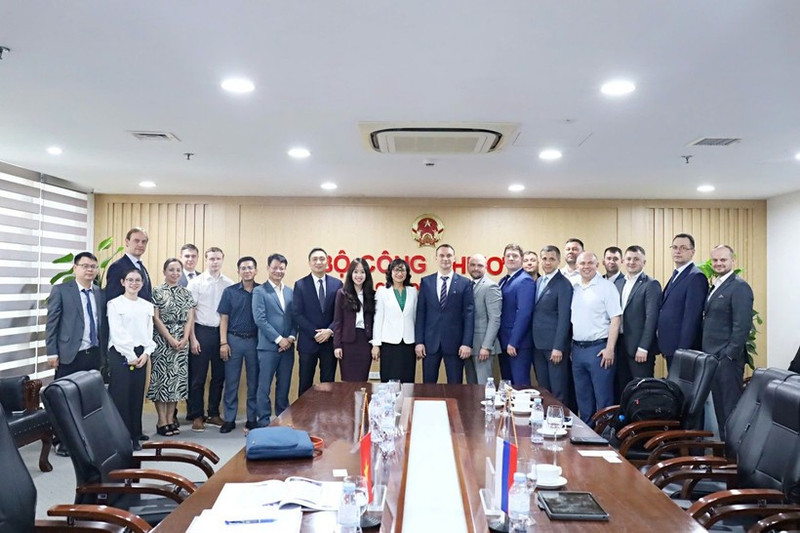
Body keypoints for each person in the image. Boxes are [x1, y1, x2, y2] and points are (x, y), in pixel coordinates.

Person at [45, 251, 106, 456]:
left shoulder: (99, 292)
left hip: (92, 353)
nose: (89, 270)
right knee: (63, 399)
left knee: (85, 398)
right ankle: (60, 440)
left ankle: (82, 438)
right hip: (69, 353)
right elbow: (52, 323)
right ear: (75, 268)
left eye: (93, 266)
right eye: (85, 266)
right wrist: (51, 352)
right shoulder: (62, 290)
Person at [702, 245, 754, 438]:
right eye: (715, 260)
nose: (718, 263)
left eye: (723, 260)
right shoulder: (716, 284)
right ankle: (725, 454)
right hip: (713, 358)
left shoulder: (739, 287)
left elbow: (742, 326)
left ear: (733, 261)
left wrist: (729, 355)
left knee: (730, 410)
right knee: (720, 410)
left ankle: (735, 459)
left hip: (727, 360)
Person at [106, 268, 156, 450]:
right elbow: (118, 333)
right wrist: (131, 356)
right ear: (123, 282)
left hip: (141, 354)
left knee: (136, 395)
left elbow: (149, 332)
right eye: (130, 280)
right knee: (121, 396)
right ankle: (122, 437)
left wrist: (146, 353)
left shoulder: (146, 305)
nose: (134, 283)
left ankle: (135, 434)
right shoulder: (115, 304)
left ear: (142, 283)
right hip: (121, 353)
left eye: (137, 280)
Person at [570, 251, 622, 423]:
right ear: (577, 266)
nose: (586, 267)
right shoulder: (575, 287)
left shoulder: (606, 287)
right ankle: (587, 437)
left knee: (603, 398)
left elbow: (616, 318)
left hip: (599, 350)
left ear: (597, 265)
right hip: (577, 349)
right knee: (583, 399)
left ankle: (605, 439)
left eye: (590, 263)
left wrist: (610, 348)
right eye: (582, 264)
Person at [187, 247, 233, 432]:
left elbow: (229, 313)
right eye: (211, 258)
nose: (215, 262)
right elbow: (190, 313)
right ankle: (197, 415)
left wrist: (225, 340)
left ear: (222, 260)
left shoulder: (229, 283)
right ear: (205, 260)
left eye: (218, 258)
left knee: (219, 376)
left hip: (221, 333)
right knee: (198, 377)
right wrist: (193, 339)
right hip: (201, 332)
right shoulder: (195, 283)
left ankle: (213, 413)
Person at [416, 244, 475, 384]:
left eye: (449, 255)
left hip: (455, 344)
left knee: (455, 386)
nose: (445, 258)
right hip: (430, 344)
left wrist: (467, 343)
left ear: (454, 258)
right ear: (436, 258)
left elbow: (469, 315)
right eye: (441, 255)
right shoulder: (426, 282)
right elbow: (421, 314)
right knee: (428, 386)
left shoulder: (465, 283)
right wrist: (419, 342)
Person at [150, 258, 195, 437]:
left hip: (182, 342)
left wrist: (184, 338)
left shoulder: (186, 292)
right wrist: (169, 338)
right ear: (164, 271)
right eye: (171, 270)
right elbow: (156, 318)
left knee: (176, 382)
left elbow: (190, 317)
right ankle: (162, 421)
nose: (175, 273)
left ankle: (171, 419)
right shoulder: (157, 291)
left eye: (178, 270)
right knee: (162, 382)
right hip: (162, 341)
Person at [252, 253, 297, 425]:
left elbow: (295, 318)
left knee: (284, 386)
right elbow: (260, 319)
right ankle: (263, 420)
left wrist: (291, 338)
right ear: (268, 268)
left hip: (288, 347)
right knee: (264, 387)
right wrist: (279, 339)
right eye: (275, 267)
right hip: (268, 347)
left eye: (281, 268)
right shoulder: (259, 291)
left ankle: (282, 419)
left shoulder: (290, 292)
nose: (278, 271)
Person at [217, 256, 260, 433]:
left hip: (255, 341)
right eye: (243, 268)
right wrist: (223, 342)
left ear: (256, 270)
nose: (247, 271)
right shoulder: (230, 292)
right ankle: (229, 419)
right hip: (233, 340)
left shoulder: (262, 291)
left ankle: (252, 418)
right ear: (238, 271)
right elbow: (223, 318)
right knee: (232, 381)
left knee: (254, 381)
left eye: (250, 268)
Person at [292, 248, 343, 395]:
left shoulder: (337, 284)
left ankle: (326, 416)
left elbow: (340, 313)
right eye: (315, 259)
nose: (318, 262)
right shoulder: (300, 284)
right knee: (305, 383)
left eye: (322, 259)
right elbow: (297, 314)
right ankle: (302, 417)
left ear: (327, 262)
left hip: (329, 341)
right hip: (308, 342)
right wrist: (315, 333)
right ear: (309, 262)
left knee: (328, 383)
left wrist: (329, 330)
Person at [614, 246, 661, 397]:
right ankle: (625, 420)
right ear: (623, 261)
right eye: (628, 259)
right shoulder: (618, 283)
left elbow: (652, 318)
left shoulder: (650, 284)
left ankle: (644, 421)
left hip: (639, 349)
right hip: (619, 344)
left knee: (642, 391)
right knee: (622, 388)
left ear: (644, 262)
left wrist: (644, 347)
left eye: (636, 259)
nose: (631, 262)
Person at [656, 233, 708, 370]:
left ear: (692, 252)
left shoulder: (696, 277)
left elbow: (692, 318)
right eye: (675, 247)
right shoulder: (677, 275)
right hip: (670, 346)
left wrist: (683, 350)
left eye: (683, 248)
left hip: (682, 350)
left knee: (682, 390)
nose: (678, 251)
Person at [531, 245, 573, 404]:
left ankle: (560, 423)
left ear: (558, 261)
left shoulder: (563, 284)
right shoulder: (539, 280)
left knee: (558, 389)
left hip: (554, 347)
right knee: (543, 389)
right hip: (538, 344)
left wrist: (558, 347)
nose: (547, 263)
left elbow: (564, 318)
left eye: (551, 259)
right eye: (544, 259)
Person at [372, 258, 418, 382]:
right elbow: (378, 318)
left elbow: (415, 318)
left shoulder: (413, 291)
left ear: (407, 273)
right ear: (390, 272)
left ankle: (406, 402)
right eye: (396, 270)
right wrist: (376, 344)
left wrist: (418, 342)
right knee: (389, 379)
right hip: (389, 343)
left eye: (402, 270)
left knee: (408, 379)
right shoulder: (382, 291)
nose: (399, 273)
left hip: (408, 343)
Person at [497, 243, 535, 386]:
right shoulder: (504, 280)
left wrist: (514, 341)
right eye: (508, 256)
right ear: (503, 259)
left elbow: (524, 313)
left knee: (520, 385)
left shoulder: (525, 280)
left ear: (521, 259)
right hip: (504, 342)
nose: (511, 258)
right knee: (507, 384)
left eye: (515, 256)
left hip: (517, 344)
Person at [333, 258, 376, 382]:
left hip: (365, 341)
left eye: (362, 272)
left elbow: (375, 321)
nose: (359, 275)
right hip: (347, 342)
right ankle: (348, 403)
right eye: (355, 272)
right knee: (347, 381)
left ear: (366, 274)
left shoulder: (372, 295)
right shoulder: (342, 294)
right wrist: (337, 345)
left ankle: (361, 402)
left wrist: (375, 344)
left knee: (362, 380)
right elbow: (338, 321)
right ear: (350, 273)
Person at [465, 254, 502, 385]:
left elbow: (495, 319)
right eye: (473, 265)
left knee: (484, 388)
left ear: (486, 267)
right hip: (469, 347)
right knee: (471, 388)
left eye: (480, 265)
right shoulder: (468, 285)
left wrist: (486, 346)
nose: (476, 268)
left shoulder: (490, 287)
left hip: (483, 347)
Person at [105, 227, 152, 302]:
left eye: (144, 242)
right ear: (127, 242)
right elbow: (112, 297)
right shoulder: (117, 267)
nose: (140, 244)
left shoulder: (141, 267)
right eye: (136, 241)